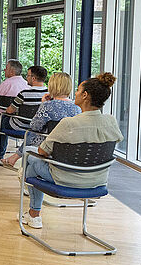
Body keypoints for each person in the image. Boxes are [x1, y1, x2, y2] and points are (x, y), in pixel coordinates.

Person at [22, 73, 123, 229]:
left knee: (30, 159)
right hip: (98, 181)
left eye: (77, 90)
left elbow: (42, 151)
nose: (74, 93)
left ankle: (34, 214)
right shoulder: (111, 122)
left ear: (85, 95)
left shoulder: (68, 124)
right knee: (32, 160)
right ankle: (36, 215)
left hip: (65, 179)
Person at [3, 72, 80, 168]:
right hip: (69, 146)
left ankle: (18, 161)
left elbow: (34, 126)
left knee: (33, 132)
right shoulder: (77, 107)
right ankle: (15, 157)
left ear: (52, 85)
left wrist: (43, 104)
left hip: (47, 145)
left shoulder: (48, 106)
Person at [0, 65, 49, 161]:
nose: (26, 78)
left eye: (28, 76)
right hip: (38, 128)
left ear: (33, 78)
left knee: (3, 119)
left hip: (20, 125)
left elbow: (10, 110)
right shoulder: (49, 94)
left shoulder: (23, 94)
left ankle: (0, 154)